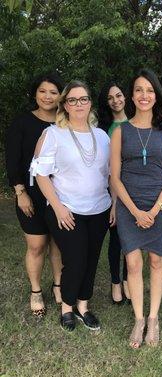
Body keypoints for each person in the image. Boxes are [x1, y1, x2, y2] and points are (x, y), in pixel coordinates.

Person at [30, 80, 111, 331]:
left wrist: (115, 204)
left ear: (90, 103)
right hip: (66, 210)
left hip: (99, 209)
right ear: (64, 104)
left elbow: (110, 175)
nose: (79, 104)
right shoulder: (53, 134)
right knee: (75, 260)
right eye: (72, 100)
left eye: (83, 99)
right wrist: (57, 207)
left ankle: (83, 306)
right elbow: (40, 174)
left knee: (91, 258)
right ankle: (67, 307)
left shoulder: (102, 135)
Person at [110, 68, 162, 347]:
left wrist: (155, 208)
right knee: (133, 263)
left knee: (156, 261)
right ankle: (139, 319)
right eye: (139, 89)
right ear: (132, 95)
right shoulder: (120, 131)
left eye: (149, 90)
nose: (144, 95)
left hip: (158, 206)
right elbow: (114, 176)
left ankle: (153, 319)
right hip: (129, 206)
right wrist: (136, 211)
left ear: (156, 95)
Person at [5, 73, 64, 317]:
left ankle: (59, 286)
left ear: (60, 95)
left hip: (61, 195)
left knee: (59, 245)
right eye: (43, 91)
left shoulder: (65, 124)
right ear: (35, 94)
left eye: (53, 92)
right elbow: (13, 161)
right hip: (30, 194)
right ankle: (36, 290)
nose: (48, 96)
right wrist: (20, 192)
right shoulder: (21, 124)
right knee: (37, 245)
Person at [98, 81, 129, 304]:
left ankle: (129, 280)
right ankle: (116, 282)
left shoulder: (136, 123)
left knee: (131, 240)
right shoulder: (102, 129)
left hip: (135, 190)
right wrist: (115, 201)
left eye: (118, 95)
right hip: (112, 191)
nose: (116, 100)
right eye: (110, 98)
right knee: (116, 239)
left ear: (125, 97)